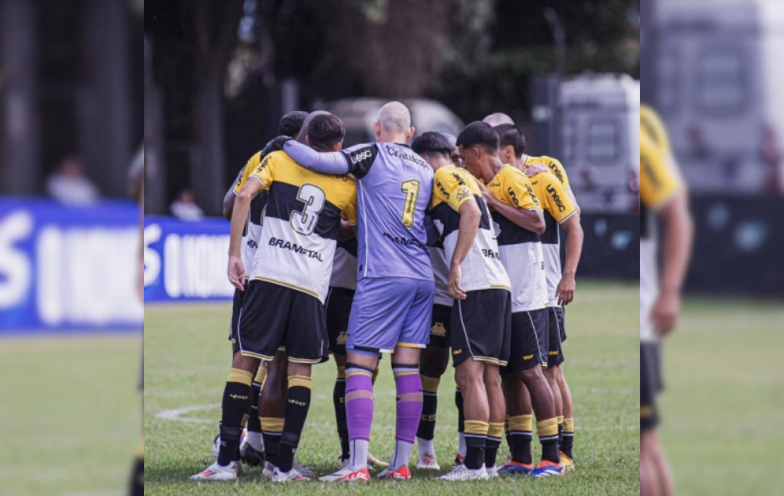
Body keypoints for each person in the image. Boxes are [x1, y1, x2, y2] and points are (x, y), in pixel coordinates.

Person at [191, 113, 357, 482]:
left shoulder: (277, 159)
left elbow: (241, 197)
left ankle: (224, 462)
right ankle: (282, 467)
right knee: (298, 370)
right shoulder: (346, 181)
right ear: (337, 147)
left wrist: (234, 255)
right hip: (312, 285)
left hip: (267, 275)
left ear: (303, 137)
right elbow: (354, 229)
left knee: (245, 363)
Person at [282, 101, 435, 482]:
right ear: (411, 133)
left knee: (359, 365)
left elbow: (324, 163)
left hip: (382, 276)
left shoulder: (371, 152)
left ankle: (357, 464)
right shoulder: (425, 168)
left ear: (378, 128)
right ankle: (401, 463)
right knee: (407, 368)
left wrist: (284, 144)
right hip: (422, 277)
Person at [458, 122, 563, 478]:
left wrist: (491, 201)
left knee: (533, 373)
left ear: (476, 153)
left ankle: (551, 457)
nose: (463, 166)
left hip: (527, 293)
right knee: (510, 376)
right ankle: (520, 454)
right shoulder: (484, 183)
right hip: (504, 292)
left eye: (464, 158)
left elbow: (537, 222)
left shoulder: (512, 179)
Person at [412, 131, 513, 480]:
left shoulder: (444, 175)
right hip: (498, 285)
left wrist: (455, 265)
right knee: (490, 379)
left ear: (425, 158)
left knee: (469, 378)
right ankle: (485, 464)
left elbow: (469, 212)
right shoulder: (466, 177)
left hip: (476, 285)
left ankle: (472, 466)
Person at [485, 112, 582, 464]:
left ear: (506, 146)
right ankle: (522, 453)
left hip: (543, 284)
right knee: (515, 371)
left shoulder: (545, 169)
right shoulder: (494, 178)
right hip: (511, 285)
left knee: (550, 369)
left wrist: (567, 274)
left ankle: (562, 451)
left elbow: (574, 221)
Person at [218, 111, 309, 473]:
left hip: (252, 273)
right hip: (282, 272)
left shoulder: (260, 158)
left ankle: (242, 443)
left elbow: (229, 205)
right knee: (278, 366)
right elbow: (233, 204)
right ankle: (267, 454)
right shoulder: (289, 163)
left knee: (245, 359)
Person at [640, 105, 693, 496]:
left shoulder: (640, 131)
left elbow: (677, 212)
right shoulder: (645, 122)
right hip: (642, 319)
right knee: (649, 446)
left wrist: (670, 293)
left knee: (646, 448)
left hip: (642, 321)